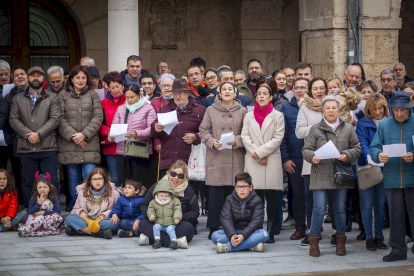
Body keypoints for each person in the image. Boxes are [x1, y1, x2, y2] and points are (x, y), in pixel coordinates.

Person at [302, 95, 362, 257]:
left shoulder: (348, 127)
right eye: (327, 108)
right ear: (322, 111)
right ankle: (314, 241)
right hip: (320, 174)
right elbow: (306, 150)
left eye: (333, 107)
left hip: (340, 174)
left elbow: (357, 148)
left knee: (340, 209)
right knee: (319, 209)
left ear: (338, 110)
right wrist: (312, 156)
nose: (330, 110)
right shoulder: (315, 129)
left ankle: (340, 241)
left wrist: (346, 155)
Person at [369, 91, 414, 262]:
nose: (400, 113)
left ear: (409, 109)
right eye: (396, 110)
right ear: (392, 109)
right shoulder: (385, 125)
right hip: (392, 177)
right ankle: (398, 250)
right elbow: (374, 147)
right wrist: (378, 155)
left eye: (404, 110)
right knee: (395, 216)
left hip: (412, 177)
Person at [199, 82, 247, 239]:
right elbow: (203, 130)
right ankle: (213, 226)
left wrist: (237, 140)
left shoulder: (243, 111)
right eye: (223, 89)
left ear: (235, 93)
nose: (227, 91)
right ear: (219, 93)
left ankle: (234, 225)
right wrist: (212, 142)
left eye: (230, 89)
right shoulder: (211, 110)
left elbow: (247, 133)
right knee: (216, 195)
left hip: (236, 157)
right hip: (217, 156)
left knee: (233, 194)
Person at [9, 66, 61, 203]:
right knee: (30, 182)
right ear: (28, 78)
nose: (35, 78)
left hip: (47, 146)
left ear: (43, 79)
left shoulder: (52, 97)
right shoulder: (17, 98)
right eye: (32, 75)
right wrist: (28, 135)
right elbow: (13, 119)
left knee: (52, 182)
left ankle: (54, 212)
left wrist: (39, 134)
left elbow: (55, 119)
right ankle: (32, 212)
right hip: (27, 147)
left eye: (39, 75)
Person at [241, 83, 284, 243]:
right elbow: (245, 137)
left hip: (271, 159)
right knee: (255, 198)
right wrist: (258, 155)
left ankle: (271, 229)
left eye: (265, 93)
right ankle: (257, 228)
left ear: (271, 96)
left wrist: (260, 153)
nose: (261, 96)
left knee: (272, 198)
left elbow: (277, 139)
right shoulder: (248, 115)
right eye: (259, 93)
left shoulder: (278, 116)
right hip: (254, 160)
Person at [58, 65, 103, 210]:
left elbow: (98, 117)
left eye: (84, 77)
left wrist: (84, 134)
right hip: (69, 144)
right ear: (71, 79)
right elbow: (59, 118)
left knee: (91, 177)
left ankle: (92, 208)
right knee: (73, 179)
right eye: (77, 77)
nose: (81, 80)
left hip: (89, 144)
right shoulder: (63, 95)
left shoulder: (93, 95)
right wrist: (75, 136)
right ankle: (76, 208)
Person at [151, 78, 206, 180]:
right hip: (168, 161)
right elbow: (154, 133)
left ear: (187, 93)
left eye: (181, 93)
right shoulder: (164, 110)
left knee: (189, 194)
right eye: (175, 93)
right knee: (167, 193)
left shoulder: (200, 110)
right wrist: (156, 128)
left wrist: (196, 137)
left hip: (190, 162)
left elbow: (208, 132)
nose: (178, 96)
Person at [295, 77, 327, 245]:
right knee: (310, 197)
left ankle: (337, 232)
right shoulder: (305, 108)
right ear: (310, 91)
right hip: (311, 159)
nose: (319, 91)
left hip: (330, 159)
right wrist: (318, 127)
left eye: (322, 88)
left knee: (333, 199)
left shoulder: (332, 105)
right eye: (315, 88)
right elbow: (299, 132)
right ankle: (312, 230)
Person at [356, 93, 390, 251]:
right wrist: (369, 157)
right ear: (369, 109)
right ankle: (369, 237)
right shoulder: (363, 123)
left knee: (381, 204)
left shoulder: (390, 122)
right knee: (368, 203)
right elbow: (362, 142)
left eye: (380, 108)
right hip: (368, 167)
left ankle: (379, 236)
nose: (378, 112)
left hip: (386, 167)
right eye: (374, 108)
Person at [139, 160, 199, 248]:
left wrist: (178, 217)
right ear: (168, 173)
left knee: (189, 228)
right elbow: (144, 205)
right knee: (143, 224)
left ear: (185, 178)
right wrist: (152, 215)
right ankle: (173, 242)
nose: (176, 178)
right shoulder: (157, 186)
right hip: (157, 222)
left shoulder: (189, 191)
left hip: (177, 224)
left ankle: (152, 240)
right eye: (173, 174)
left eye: (180, 176)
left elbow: (195, 212)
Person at [109, 84, 156, 188]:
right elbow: (114, 127)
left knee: (140, 183)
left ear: (139, 95)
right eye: (127, 97)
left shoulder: (148, 108)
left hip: (141, 151)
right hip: (123, 151)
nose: (129, 100)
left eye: (132, 97)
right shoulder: (121, 109)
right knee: (126, 183)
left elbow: (152, 130)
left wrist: (137, 133)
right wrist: (111, 135)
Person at [280, 77, 309, 240]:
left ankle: (313, 227)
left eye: (303, 87)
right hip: (295, 159)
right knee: (297, 195)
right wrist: (285, 158)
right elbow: (283, 137)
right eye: (297, 87)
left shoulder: (315, 108)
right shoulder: (286, 109)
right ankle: (300, 226)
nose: (299, 90)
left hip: (313, 159)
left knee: (311, 195)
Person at [212, 172, 269, 253]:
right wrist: (232, 235)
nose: (241, 190)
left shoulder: (257, 200)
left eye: (245, 187)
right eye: (238, 187)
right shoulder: (229, 199)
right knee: (215, 236)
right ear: (235, 188)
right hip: (234, 231)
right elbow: (226, 218)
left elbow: (257, 221)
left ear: (251, 188)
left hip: (251, 233)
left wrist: (243, 235)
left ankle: (228, 247)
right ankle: (251, 246)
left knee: (265, 234)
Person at [65, 168, 122, 239]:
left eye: (100, 179)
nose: (97, 181)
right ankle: (99, 233)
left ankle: (78, 230)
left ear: (104, 180)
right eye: (94, 179)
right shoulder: (82, 192)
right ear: (90, 181)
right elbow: (75, 209)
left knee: (114, 223)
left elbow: (116, 209)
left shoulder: (113, 192)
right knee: (69, 218)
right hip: (87, 220)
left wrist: (104, 215)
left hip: (102, 221)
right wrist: (81, 212)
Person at [99, 71, 126, 187]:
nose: (116, 89)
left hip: (127, 145)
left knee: (128, 179)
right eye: (112, 87)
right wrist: (107, 131)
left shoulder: (129, 99)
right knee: (115, 179)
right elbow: (98, 123)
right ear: (108, 88)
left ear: (123, 85)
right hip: (111, 146)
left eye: (118, 86)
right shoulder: (103, 103)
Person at [18, 172, 63, 237]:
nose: (42, 189)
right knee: (24, 217)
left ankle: (37, 227)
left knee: (61, 218)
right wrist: (39, 203)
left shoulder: (54, 197)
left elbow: (57, 211)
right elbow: (31, 211)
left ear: (49, 188)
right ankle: (27, 229)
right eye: (40, 187)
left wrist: (44, 212)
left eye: (45, 187)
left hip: (49, 218)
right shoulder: (34, 197)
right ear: (36, 188)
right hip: (36, 218)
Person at [147, 179, 182, 249]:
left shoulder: (174, 201)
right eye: (161, 196)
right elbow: (150, 209)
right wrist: (151, 215)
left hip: (170, 223)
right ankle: (157, 240)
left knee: (170, 229)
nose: (163, 198)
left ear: (170, 195)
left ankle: (173, 241)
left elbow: (177, 209)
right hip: (159, 222)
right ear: (157, 194)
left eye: (166, 196)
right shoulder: (153, 202)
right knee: (155, 227)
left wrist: (177, 218)